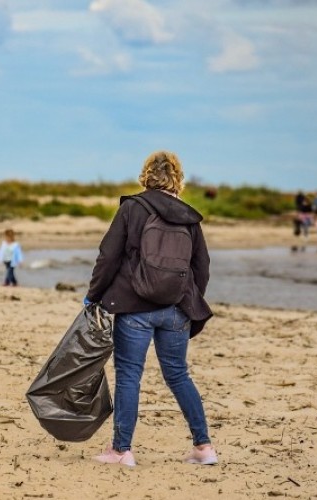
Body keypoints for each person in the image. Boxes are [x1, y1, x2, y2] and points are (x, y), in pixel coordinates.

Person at [85, 150, 216, 468]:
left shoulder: (132, 208)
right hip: (176, 309)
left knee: (129, 376)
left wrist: (94, 296)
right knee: (178, 374)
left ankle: (121, 451)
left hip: (134, 308)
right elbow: (203, 266)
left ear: (146, 175)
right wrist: (189, 299)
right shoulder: (189, 215)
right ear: (177, 178)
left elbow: (108, 256)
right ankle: (204, 448)